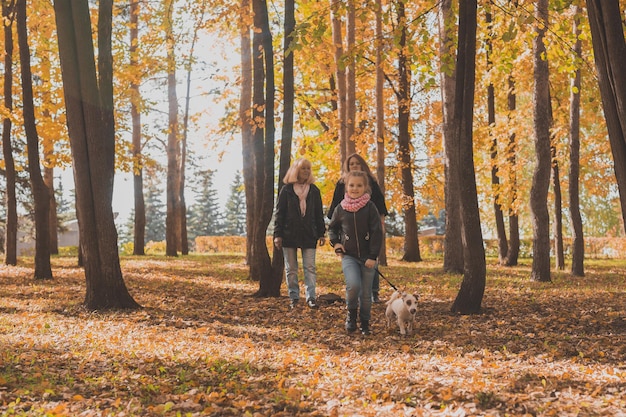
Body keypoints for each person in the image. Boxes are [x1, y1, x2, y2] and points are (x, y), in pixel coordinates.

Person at [327, 153, 388, 303]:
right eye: (351, 164)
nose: (354, 166)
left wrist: (381, 223)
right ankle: (357, 291)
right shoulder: (341, 184)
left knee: (372, 259)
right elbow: (335, 206)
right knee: (351, 260)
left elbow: (380, 205)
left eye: (357, 163)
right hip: (348, 226)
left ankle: (373, 292)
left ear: (362, 165)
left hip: (369, 226)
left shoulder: (370, 182)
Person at [328, 170, 383, 335]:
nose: (355, 188)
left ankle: (365, 323)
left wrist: (373, 256)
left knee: (366, 293)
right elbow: (332, 228)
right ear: (346, 186)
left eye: (359, 185)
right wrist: (337, 243)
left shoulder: (370, 207)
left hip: (368, 258)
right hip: (349, 256)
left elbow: (377, 232)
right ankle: (351, 315)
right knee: (353, 286)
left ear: (365, 187)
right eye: (351, 185)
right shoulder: (340, 209)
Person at [273, 158, 326, 309]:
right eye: (303, 168)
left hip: (309, 234)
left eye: (308, 169)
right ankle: (294, 297)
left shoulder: (314, 190)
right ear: (296, 171)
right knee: (291, 269)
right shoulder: (287, 190)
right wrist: (277, 235)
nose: (306, 171)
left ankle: (311, 297)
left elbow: (318, 214)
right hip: (289, 234)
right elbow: (279, 214)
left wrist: (321, 233)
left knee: (310, 267)